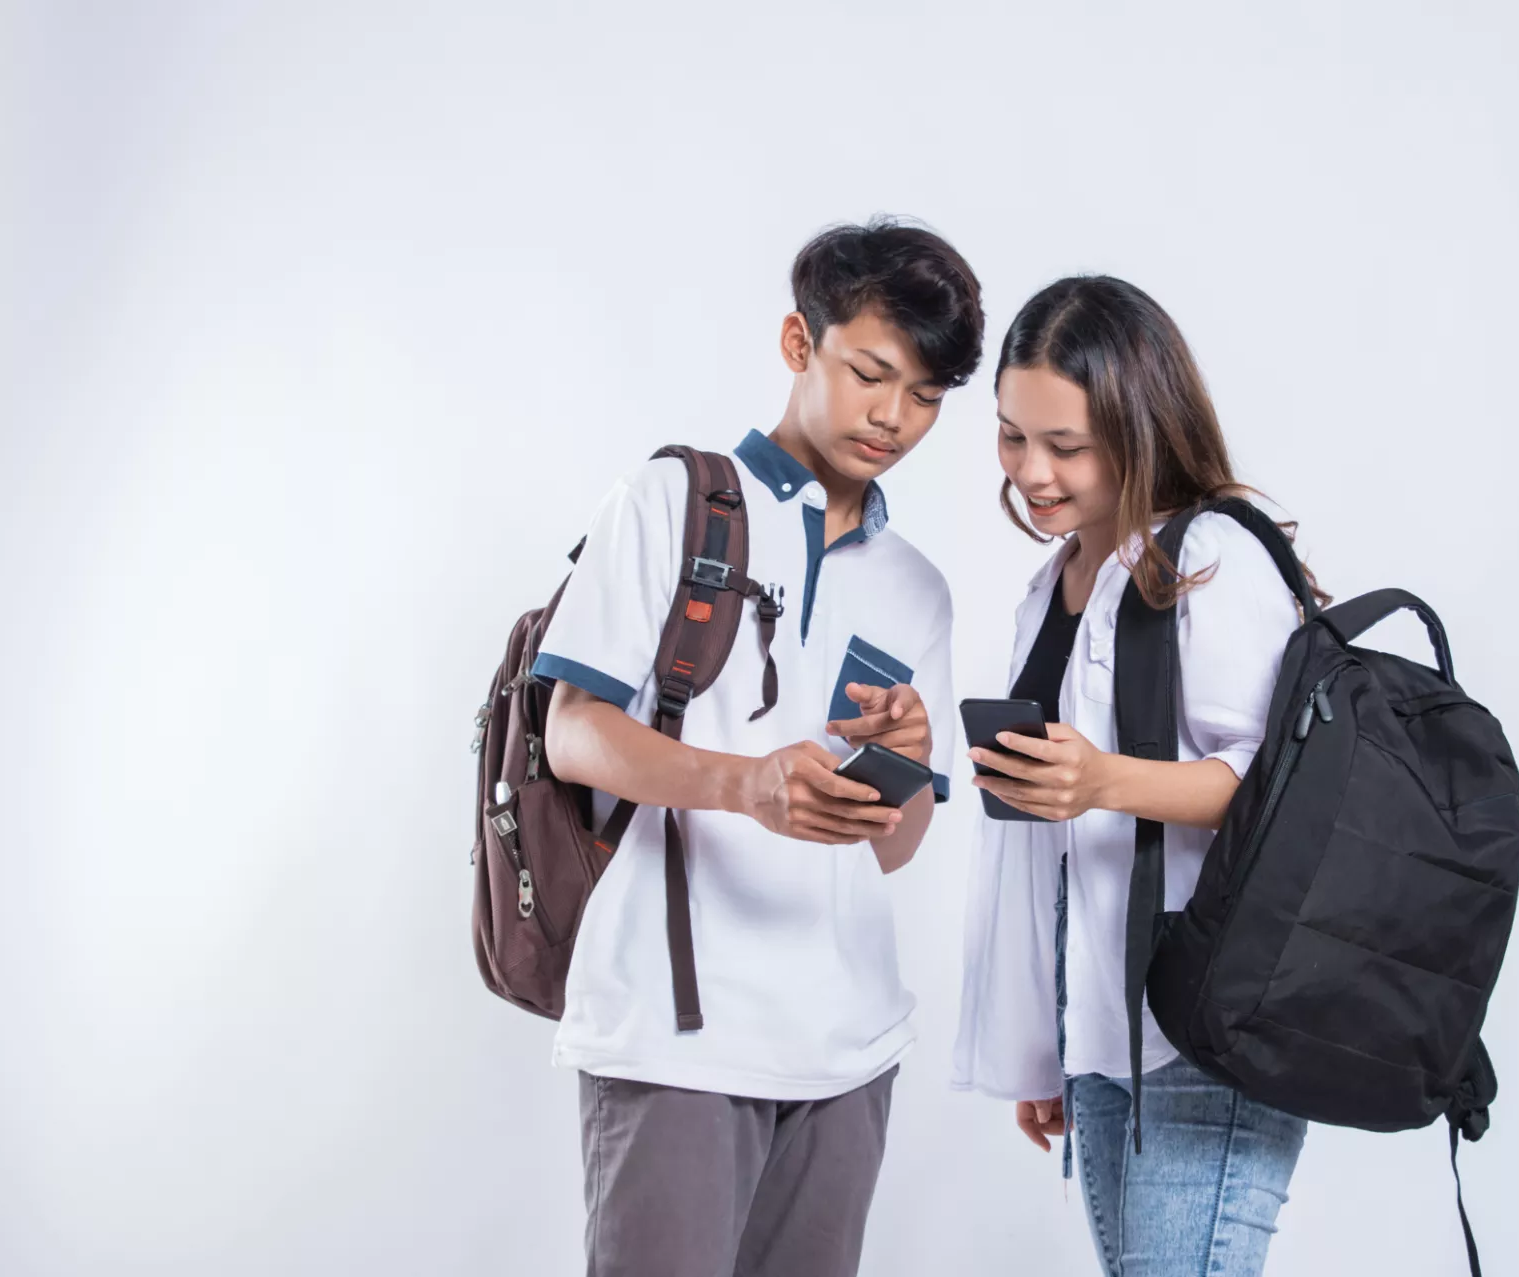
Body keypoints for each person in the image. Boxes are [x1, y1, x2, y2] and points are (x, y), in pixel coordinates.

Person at [536, 217, 982, 1277]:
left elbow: (895, 847)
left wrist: (910, 759)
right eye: (873, 372)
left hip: (849, 1042)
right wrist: (744, 783)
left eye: (925, 395)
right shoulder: (669, 502)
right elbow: (573, 732)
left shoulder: (917, 585)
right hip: (674, 1033)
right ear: (799, 343)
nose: (895, 416)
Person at [951, 275, 1327, 1276]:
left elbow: (1272, 787)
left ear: (1139, 427)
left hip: (1208, 1022)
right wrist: (1052, 1040)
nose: (1032, 471)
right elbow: (1051, 846)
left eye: (1065, 446)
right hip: (1109, 1032)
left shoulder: (1210, 556)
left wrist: (1104, 778)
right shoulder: (1057, 583)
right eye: (1011, 435)